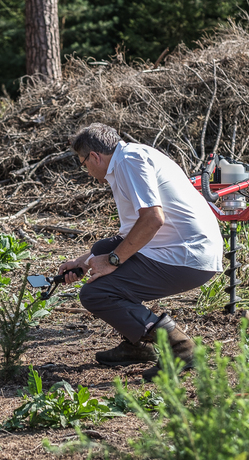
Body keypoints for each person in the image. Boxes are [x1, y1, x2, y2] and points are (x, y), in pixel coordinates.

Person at [58, 123, 223, 380]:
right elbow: (131, 232)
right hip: (183, 248)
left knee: (96, 293)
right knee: (101, 248)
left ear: (94, 156)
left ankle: (180, 347)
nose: (87, 171)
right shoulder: (128, 158)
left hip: (188, 256)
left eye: (83, 164)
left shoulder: (130, 163)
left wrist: (112, 261)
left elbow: (153, 219)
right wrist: (86, 261)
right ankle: (137, 345)